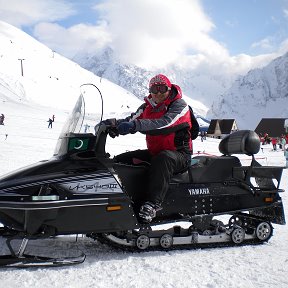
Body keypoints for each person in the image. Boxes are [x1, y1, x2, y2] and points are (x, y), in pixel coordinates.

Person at [105, 74, 193, 223]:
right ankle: (121, 198)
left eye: (162, 88)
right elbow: (130, 119)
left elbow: (165, 123)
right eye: (154, 89)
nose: (158, 93)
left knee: (163, 158)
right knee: (122, 160)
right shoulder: (147, 106)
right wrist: (112, 125)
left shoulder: (179, 106)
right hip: (155, 153)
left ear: (169, 88)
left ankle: (153, 204)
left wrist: (135, 126)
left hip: (180, 156)